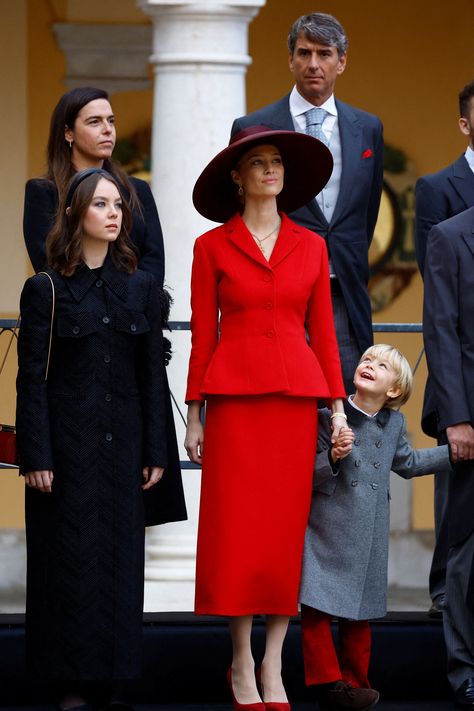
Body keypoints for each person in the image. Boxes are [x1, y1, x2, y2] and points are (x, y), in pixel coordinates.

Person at [184, 124, 346, 711]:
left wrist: (337, 409)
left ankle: (274, 662)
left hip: (294, 406)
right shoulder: (211, 247)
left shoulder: (312, 245)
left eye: (277, 161)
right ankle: (240, 659)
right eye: (259, 162)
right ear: (238, 175)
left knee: (282, 537)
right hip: (234, 405)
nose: (271, 170)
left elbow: (324, 333)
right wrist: (194, 413)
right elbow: (204, 332)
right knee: (236, 536)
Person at [16, 168, 186, 711]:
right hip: (63, 455)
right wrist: (35, 454)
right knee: (64, 565)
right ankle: (67, 684)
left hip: (123, 452)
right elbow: (30, 380)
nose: (115, 214)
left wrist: (158, 451)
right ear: (75, 214)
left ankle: (113, 680)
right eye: (102, 205)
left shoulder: (138, 286)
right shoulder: (45, 287)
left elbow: (149, 377)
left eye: (119, 205)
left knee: (118, 566)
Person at [231, 12, 384, 393]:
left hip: (344, 292)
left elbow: (367, 212)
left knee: (350, 404)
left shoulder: (367, 127)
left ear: (342, 61)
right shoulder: (255, 126)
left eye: (324, 53)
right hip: (278, 292)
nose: (313, 64)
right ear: (290, 59)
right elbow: (242, 213)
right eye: (304, 53)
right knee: (283, 397)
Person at [299, 344, 452, 711]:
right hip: (325, 529)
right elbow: (305, 474)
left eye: (381, 365)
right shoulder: (327, 417)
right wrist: (333, 456)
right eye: (367, 359)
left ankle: (355, 683)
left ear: (394, 390)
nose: (369, 364)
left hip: (368, 532)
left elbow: (409, 462)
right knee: (316, 608)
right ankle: (329, 684)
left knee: (359, 612)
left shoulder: (394, 423)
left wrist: (454, 453)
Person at [414, 79, 474, 618]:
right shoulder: (438, 188)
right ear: (464, 123)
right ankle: (443, 593)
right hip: (458, 364)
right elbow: (439, 296)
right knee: (455, 496)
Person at [23, 86, 166, 287]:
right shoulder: (44, 192)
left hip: (133, 312)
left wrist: (130, 304)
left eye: (111, 120)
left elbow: (154, 263)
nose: (107, 129)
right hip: (72, 312)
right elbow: (49, 264)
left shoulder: (138, 189)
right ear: (68, 133)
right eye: (94, 122)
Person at [423, 206, 474, 709]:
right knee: (466, 554)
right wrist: (457, 418)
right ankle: (466, 670)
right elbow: (440, 332)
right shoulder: (449, 236)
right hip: (471, 420)